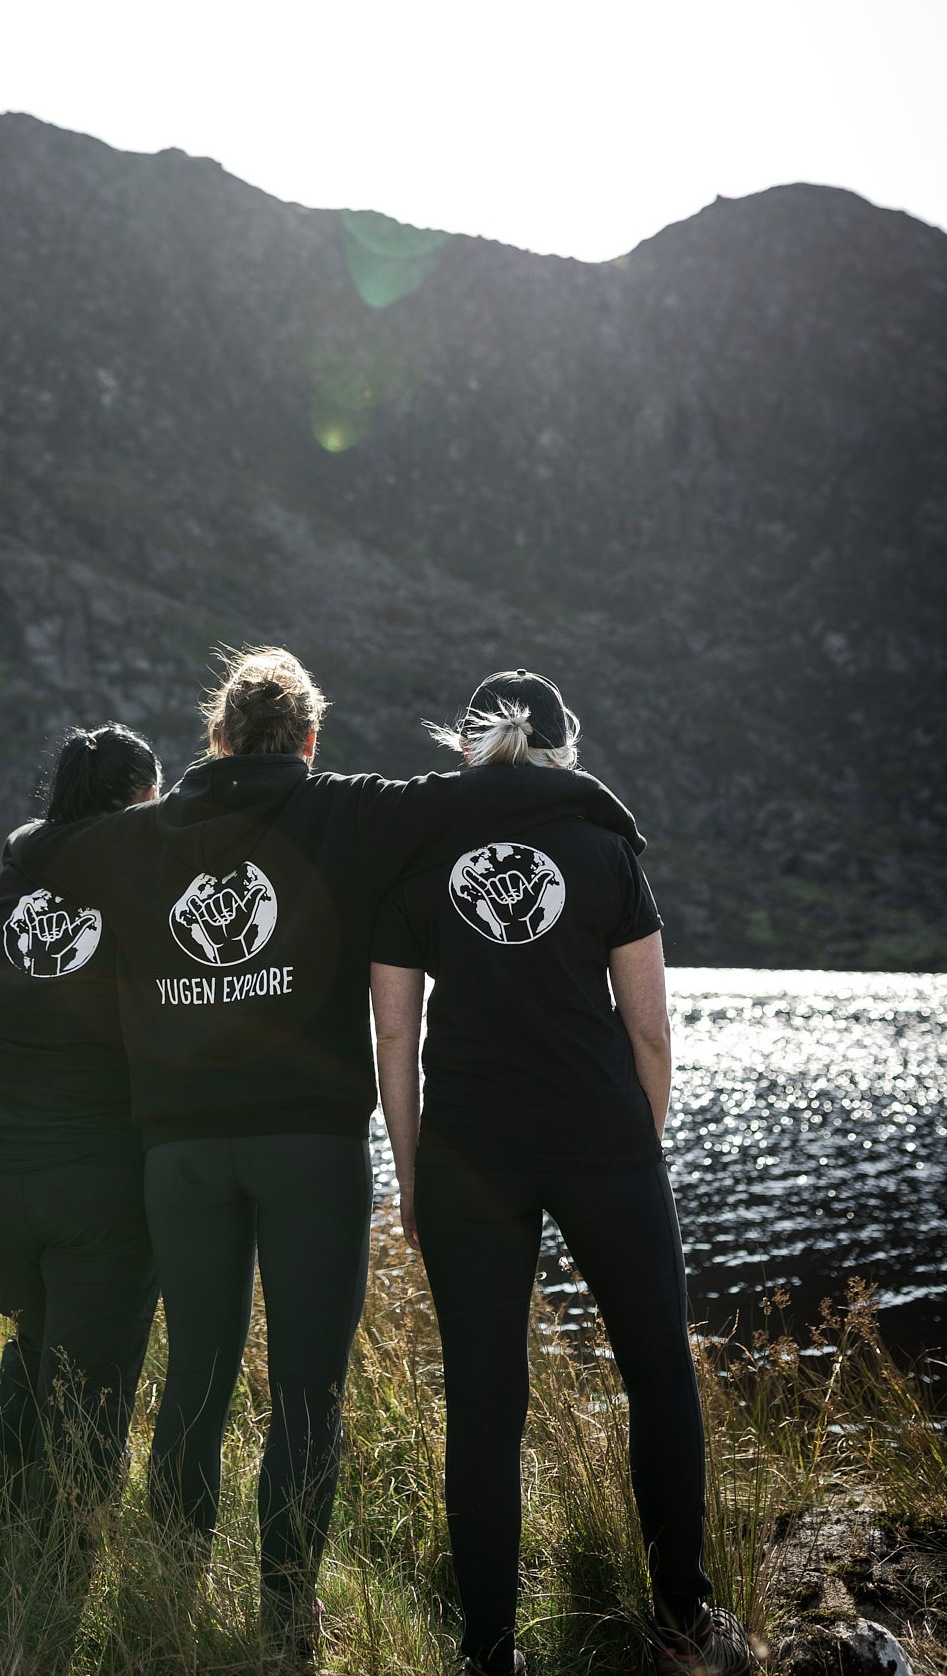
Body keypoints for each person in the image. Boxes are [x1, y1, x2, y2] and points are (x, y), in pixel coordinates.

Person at [4, 647, 648, 1669]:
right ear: (309, 737)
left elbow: (36, 862)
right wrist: (597, 801)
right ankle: (288, 1616)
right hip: (309, 1146)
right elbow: (481, 792)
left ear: (215, 738)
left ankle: (172, 1597)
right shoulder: (348, 807)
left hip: (178, 1153)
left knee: (196, 1384)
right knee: (308, 1392)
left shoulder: (141, 832)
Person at [369, 669, 751, 1676]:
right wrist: (641, 1141)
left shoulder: (418, 850)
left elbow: (396, 1030)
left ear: (469, 744)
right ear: (561, 742)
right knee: (660, 1376)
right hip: (602, 1138)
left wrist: (411, 1169)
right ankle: (683, 1627)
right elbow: (651, 1028)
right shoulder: (604, 842)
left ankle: (488, 1653)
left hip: (467, 1148)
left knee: (485, 1399)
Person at [0, 722, 162, 1520]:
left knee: (37, 1344)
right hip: (97, 1176)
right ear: (143, 797)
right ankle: (66, 1562)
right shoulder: (143, 885)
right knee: (95, 1386)